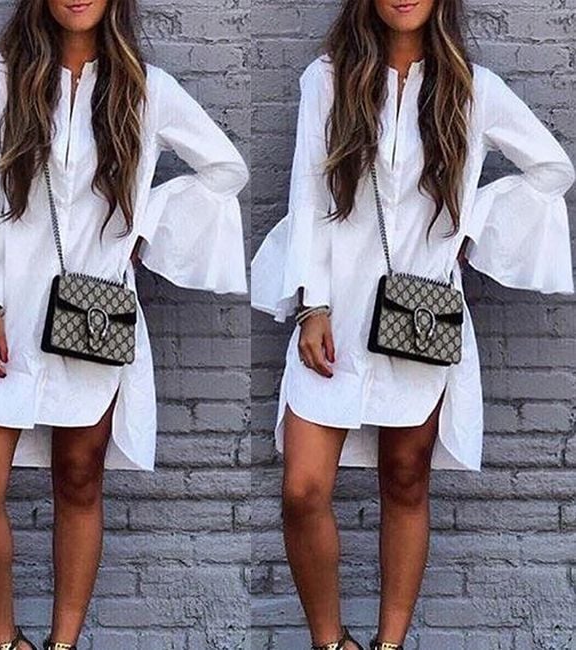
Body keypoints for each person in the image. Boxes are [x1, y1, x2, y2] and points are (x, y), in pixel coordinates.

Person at [250, 1, 574, 649]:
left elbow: (552, 169)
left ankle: (389, 644)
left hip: (423, 313)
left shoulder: (475, 89)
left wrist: (469, 228)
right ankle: (329, 642)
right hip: (335, 313)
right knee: (303, 490)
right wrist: (312, 304)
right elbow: (306, 195)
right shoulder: (327, 78)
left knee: (404, 479)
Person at [0, 1, 248, 649]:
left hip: (95, 312)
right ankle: (3, 642)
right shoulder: (1, 78)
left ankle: (63, 643)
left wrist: (143, 229)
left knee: (78, 481)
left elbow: (226, 169)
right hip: (9, 312)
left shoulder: (148, 90)